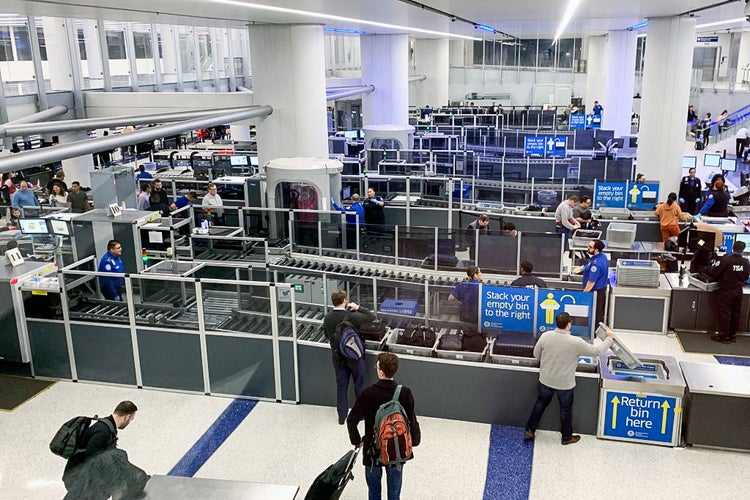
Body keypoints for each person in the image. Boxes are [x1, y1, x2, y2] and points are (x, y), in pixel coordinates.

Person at [523, 312, 614, 445]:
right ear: (569, 324)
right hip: (565, 383)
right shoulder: (575, 342)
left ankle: (529, 431)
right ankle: (566, 437)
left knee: (540, 404)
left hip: (546, 379)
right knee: (565, 410)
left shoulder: (546, 336)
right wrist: (609, 339)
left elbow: (536, 355)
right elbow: (596, 351)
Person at [346, 352, 421, 500]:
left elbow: (352, 420)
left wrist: (356, 440)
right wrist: (415, 440)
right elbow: (411, 419)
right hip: (397, 450)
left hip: (373, 451)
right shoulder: (405, 393)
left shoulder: (368, 393)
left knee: (374, 492)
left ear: (380, 370)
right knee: (394, 493)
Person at [62, 400, 149, 500]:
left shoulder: (107, 426)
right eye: (131, 419)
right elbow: (92, 459)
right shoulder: (103, 432)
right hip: (79, 477)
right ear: (127, 417)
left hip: (87, 478)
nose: (129, 422)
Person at [322, 289, 377, 425]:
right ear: (345, 300)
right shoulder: (351, 316)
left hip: (338, 357)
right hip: (355, 357)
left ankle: (342, 417)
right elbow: (371, 317)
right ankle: (361, 414)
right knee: (360, 384)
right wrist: (358, 307)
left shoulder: (327, 318)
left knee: (341, 386)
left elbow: (326, 335)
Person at [706, 240, 750, 343]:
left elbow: (714, 272)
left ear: (733, 247)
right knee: (736, 313)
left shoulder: (725, 259)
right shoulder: (746, 262)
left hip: (726, 290)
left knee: (724, 313)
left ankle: (723, 336)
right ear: (742, 250)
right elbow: (746, 276)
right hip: (738, 291)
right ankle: (732, 335)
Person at [581, 239, 608, 327]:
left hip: (595, 292)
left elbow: (591, 282)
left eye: (590, 247)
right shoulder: (602, 256)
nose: (588, 248)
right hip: (599, 290)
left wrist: (584, 294)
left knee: (595, 313)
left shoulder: (596, 264)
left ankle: (594, 331)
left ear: (596, 250)